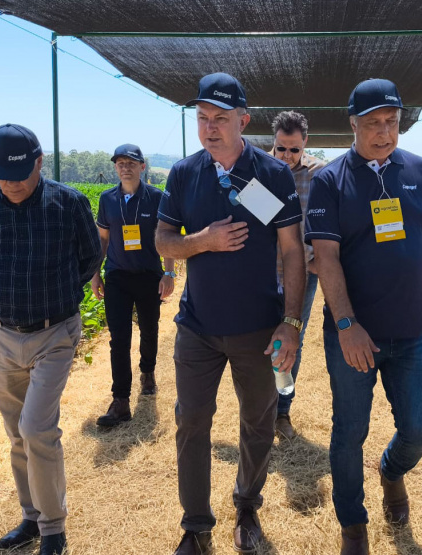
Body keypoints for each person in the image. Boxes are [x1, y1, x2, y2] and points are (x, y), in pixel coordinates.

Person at [304, 79, 422, 554]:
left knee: (421, 429)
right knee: (348, 432)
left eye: (392, 122)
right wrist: (345, 325)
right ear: (353, 123)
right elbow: (327, 258)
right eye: (373, 123)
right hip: (353, 336)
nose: (384, 132)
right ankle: (353, 525)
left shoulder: (419, 170)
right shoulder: (330, 180)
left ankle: (392, 470)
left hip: (413, 332)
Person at [155, 72, 306, 555]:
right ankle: (196, 526)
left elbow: (291, 251)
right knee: (191, 422)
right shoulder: (183, 174)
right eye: (202, 118)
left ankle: (247, 508)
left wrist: (292, 321)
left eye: (221, 118)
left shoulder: (269, 176)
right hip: (197, 329)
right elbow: (162, 242)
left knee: (258, 423)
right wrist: (203, 242)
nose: (210, 128)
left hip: (258, 330)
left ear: (243, 120)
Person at [0, 123, 101, 555]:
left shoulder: (70, 203)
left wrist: (56, 296)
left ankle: (54, 528)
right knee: (15, 432)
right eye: (1, 174)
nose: (10, 183)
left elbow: (90, 257)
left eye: (19, 174)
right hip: (2, 334)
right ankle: (31, 516)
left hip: (54, 332)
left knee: (36, 428)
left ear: (39, 163)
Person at [92, 143, 176, 428]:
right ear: (115, 168)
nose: (125, 167)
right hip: (117, 276)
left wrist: (169, 273)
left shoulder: (157, 198)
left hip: (149, 275)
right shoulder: (107, 199)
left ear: (143, 167)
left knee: (149, 329)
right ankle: (121, 400)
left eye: (131, 162)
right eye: (120, 163)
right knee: (119, 338)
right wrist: (95, 273)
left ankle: (148, 371)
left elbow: (167, 236)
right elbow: (102, 239)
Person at [268, 110, 327, 440]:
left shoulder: (320, 173)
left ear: (305, 144)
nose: (287, 157)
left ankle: (282, 413)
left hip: (302, 273)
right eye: (281, 149)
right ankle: (260, 410)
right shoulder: (259, 172)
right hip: (263, 271)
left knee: (292, 340)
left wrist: (318, 259)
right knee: (259, 338)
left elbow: (329, 218)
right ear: (273, 144)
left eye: (294, 150)